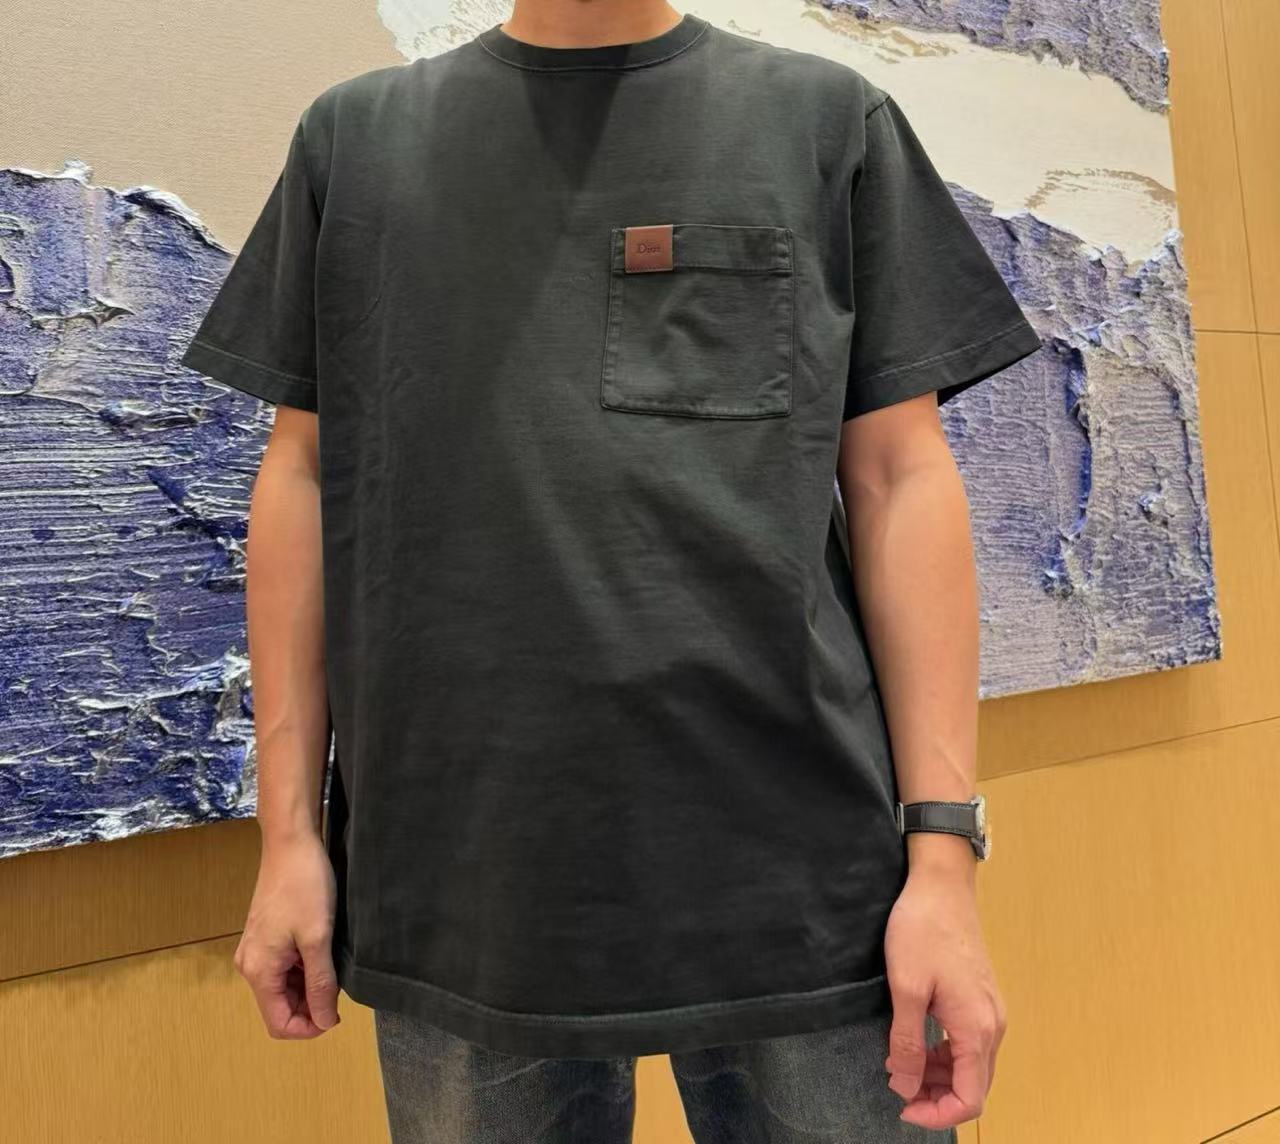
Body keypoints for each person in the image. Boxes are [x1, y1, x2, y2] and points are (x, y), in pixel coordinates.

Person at [180, 2, 1040, 1140]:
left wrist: (941, 858)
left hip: (803, 875)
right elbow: (300, 478)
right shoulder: (355, 142)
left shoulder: (824, 123)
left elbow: (900, 478)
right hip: (464, 880)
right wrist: (287, 837)